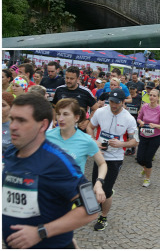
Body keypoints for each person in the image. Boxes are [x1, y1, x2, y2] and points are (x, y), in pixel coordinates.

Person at [2, 93, 99, 248]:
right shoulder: (11, 152)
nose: (13, 126)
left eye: (21, 120)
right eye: (13, 119)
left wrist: (40, 232)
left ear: (42, 125)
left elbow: (91, 208)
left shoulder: (59, 162)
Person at [89, 88, 139, 231]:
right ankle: (102, 199)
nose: (113, 105)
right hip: (100, 156)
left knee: (105, 189)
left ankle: (103, 216)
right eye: (111, 101)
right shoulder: (100, 112)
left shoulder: (129, 118)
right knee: (95, 186)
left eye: (117, 103)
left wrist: (122, 144)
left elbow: (135, 141)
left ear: (123, 102)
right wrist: (93, 141)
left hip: (115, 158)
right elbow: (89, 126)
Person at [47, 98, 107, 203]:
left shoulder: (86, 140)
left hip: (73, 194)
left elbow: (102, 164)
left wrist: (98, 184)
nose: (60, 119)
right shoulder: (46, 137)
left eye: (65, 114)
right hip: (49, 192)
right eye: (58, 114)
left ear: (76, 118)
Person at [136, 89, 160, 187]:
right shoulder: (145, 107)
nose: (151, 97)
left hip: (155, 137)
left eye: (154, 96)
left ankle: (147, 179)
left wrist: (155, 125)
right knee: (140, 159)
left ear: (158, 98)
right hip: (144, 135)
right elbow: (138, 118)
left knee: (148, 159)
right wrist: (140, 122)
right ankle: (145, 168)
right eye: (150, 95)